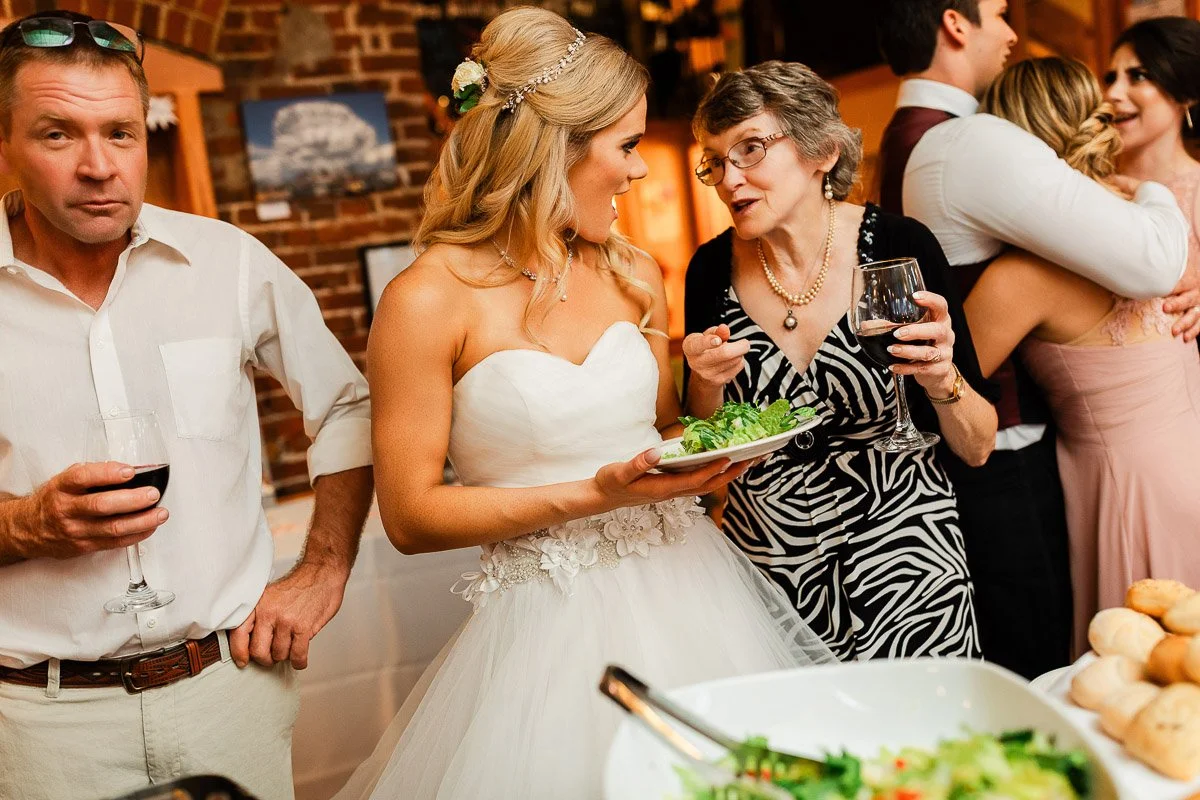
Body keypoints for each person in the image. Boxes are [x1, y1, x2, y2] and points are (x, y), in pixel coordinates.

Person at [334, 9, 835, 800]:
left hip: (693, 592)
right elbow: (409, 516)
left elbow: (667, 437)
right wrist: (593, 494)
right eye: (628, 146)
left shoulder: (633, 271)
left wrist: (703, 408)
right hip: (548, 626)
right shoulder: (425, 301)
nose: (641, 171)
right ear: (554, 147)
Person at [0, 12, 374, 800]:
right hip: (38, 724)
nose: (101, 166)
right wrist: (21, 525)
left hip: (228, 691)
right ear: (5, 144)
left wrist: (324, 567)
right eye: (59, 134)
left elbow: (347, 403)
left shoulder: (228, 262)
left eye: (122, 133)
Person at [875, 0, 1191, 679]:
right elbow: (1155, 263)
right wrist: (1151, 195)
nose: (1013, 30)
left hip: (1108, 466)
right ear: (955, 23)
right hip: (1045, 460)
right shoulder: (974, 145)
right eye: (997, 11)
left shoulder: (911, 140)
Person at [682, 61, 996, 662]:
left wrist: (940, 379)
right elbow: (705, 442)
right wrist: (703, 383)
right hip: (771, 568)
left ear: (821, 151)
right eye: (716, 161)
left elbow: (979, 446)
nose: (728, 179)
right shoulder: (709, 271)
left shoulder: (901, 247)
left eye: (750, 149)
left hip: (908, 557)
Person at [965, 56, 1200, 658]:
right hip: (1188, 463)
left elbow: (931, 388)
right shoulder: (1148, 218)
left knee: (1145, 676)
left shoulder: (1021, 274)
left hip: (1126, 490)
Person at [1104, 16, 1200, 340]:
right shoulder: (1087, 182)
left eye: (1138, 76)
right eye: (1111, 77)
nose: (1113, 93)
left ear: (1185, 93)